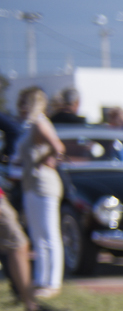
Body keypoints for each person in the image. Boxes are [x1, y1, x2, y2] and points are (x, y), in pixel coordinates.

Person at [13, 86, 67, 297]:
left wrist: (44, 160)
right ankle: (41, 279)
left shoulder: (39, 123)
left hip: (44, 184)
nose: (21, 107)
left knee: (49, 233)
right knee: (38, 235)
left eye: (25, 102)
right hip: (31, 184)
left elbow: (58, 147)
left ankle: (53, 282)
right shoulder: (29, 126)